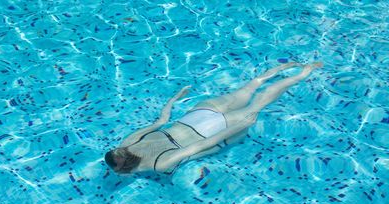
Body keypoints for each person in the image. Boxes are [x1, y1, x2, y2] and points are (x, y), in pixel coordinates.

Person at [105, 62, 322, 175]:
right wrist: (175, 98)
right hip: (194, 117)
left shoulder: (157, 165)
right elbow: (161, 121)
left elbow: (202, 145)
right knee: (252, 85)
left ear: (121, 170)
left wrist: (242, 123)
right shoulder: (127, 143)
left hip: (213, 131)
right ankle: (288, 66)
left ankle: (303, 74)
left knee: (260, 102)